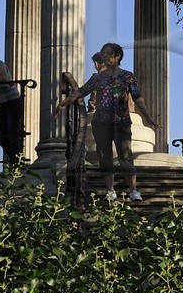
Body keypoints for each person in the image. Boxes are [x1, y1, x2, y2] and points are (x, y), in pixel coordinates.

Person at [57, 41, 155, 202]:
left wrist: (149, 118)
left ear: (117, 56)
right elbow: (80, 92)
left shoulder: (127, 76)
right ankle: (110, 190)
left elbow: (138, 98)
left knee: (126, 156)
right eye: (104, 53)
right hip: (101, 122)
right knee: (105, 157)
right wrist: (62, 103)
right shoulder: (97, 77)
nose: (105, 56)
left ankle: (133, 190)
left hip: (121, 121)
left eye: (108, 53)